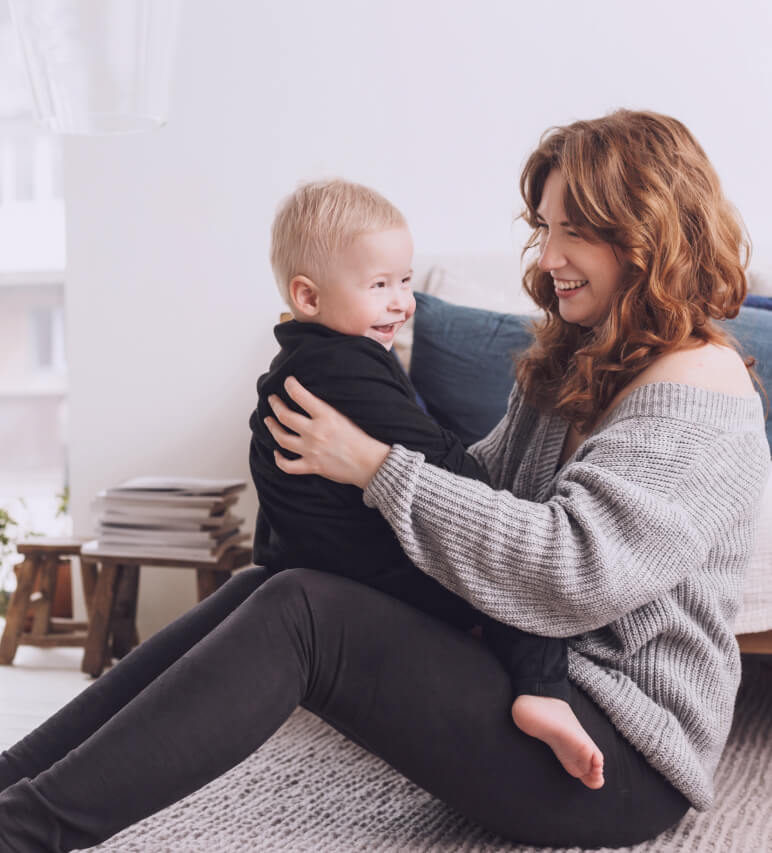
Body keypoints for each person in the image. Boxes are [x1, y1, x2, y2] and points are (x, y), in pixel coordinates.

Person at [0, 109, 768, 852]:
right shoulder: (578, 359)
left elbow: (569, 570)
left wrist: (371, 462)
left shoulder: (700, 389)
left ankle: (25, 832)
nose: (547, 257)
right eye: (544, 228)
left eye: (574, 230)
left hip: (618, 754)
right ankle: (11, 782)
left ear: (645, 232)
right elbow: (485, 490)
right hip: (539, 684)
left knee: (306, 612)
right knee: (272, 581)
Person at [250, 178, 603, 789]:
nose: (402, 303)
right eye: (379, 285)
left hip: (315, 558)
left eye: (406, 281)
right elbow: (447, 466)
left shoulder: (301, 360)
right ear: (308, 296)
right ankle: (542, 689)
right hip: (361, 569)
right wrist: (490, 495)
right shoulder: (342, 366)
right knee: (506, 564)